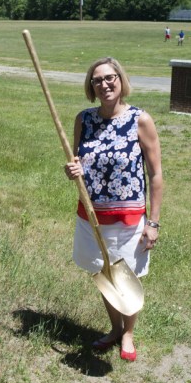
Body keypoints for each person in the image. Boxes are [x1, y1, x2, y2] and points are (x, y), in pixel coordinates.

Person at [64, 57, 163, 363]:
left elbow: (156, 174)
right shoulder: (84, 119)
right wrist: (72, 170)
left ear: (121, 80)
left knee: (127, 276)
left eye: (110, 78)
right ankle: (115, 327)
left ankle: (128, 333)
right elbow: (78, 161)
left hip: (129, 218)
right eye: (97, 80)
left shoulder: (139, 120)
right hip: (92, 217)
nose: (104, 84)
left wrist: (154, 223)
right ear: (90, 86)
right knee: (103, 274)